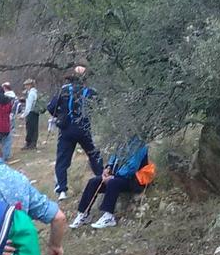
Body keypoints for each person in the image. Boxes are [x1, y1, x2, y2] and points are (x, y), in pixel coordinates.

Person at [71, 135, 154, 229]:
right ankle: (84, 214)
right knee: (93, 182)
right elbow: (113, 157)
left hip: (134, 180)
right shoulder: (122, 141)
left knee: (113, 182)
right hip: (117, 177)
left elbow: (132, 168)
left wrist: (113, 176)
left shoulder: (140, 145)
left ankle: (109, 217)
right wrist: (108, 168)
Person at [48, 65, 101, 198]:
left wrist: (60, 115)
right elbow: (99, 107)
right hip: (84, 129)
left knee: (62, 159)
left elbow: (51, 107)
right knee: (93, 154)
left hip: (66, 130)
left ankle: (62, 190)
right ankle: (101, 178)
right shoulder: (90, 91)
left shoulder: (64, 90)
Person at [21, 80, 42, 150]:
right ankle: (33, 144)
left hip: (31, 113)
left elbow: (29, 106)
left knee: (29, 129)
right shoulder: (35, 92)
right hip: (35, 113)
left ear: (30, 85)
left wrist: (23, 115)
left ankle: (29, 144)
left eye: (26, 85)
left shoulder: (31, 94)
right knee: (34, 129)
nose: (25, 86)